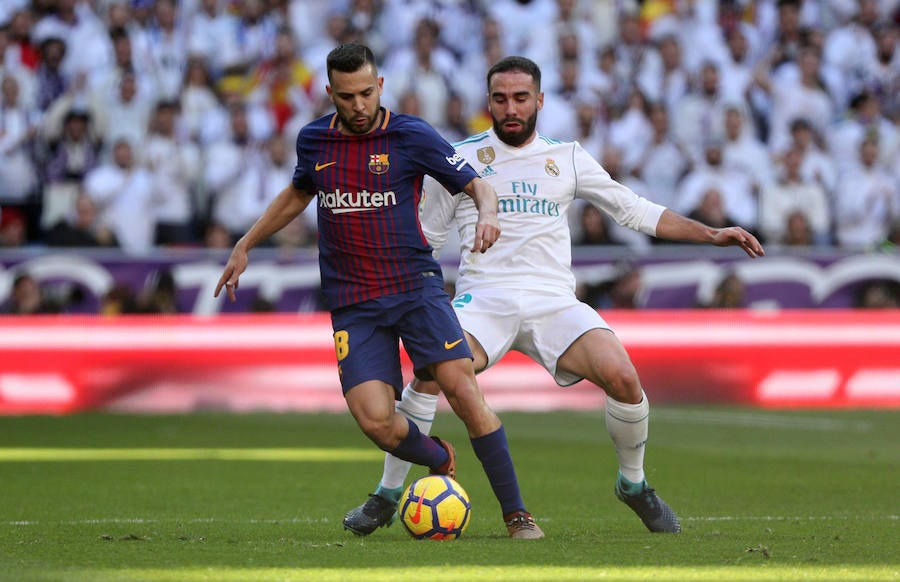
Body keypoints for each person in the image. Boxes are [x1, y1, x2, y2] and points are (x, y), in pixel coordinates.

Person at [343, 55, 764, 538]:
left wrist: (711, 234)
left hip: (554, 301)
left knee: (624, 377)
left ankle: (635, 485)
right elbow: (426, 240)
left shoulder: (567, 157)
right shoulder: (457, 160)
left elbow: (634, 210)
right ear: (489, 104)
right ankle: (387, 495)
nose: (511, 108)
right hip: (484, 299)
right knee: (431, 372)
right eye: (500, 99)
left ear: (539, 100)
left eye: (521, 98)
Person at [214, 43, 542, 540]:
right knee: (375, 421)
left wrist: (490, 213)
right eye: (347, 97)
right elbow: (299, 192)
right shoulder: (314, 141)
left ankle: (517, 515)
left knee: (461, 389)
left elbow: (477, 185)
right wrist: (246, 244)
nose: (359, 105)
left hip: (415, 289)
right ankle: (441, 458)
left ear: (380, 86)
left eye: (367, 93)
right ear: (330, 93)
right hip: (354, 303)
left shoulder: (410, 135)